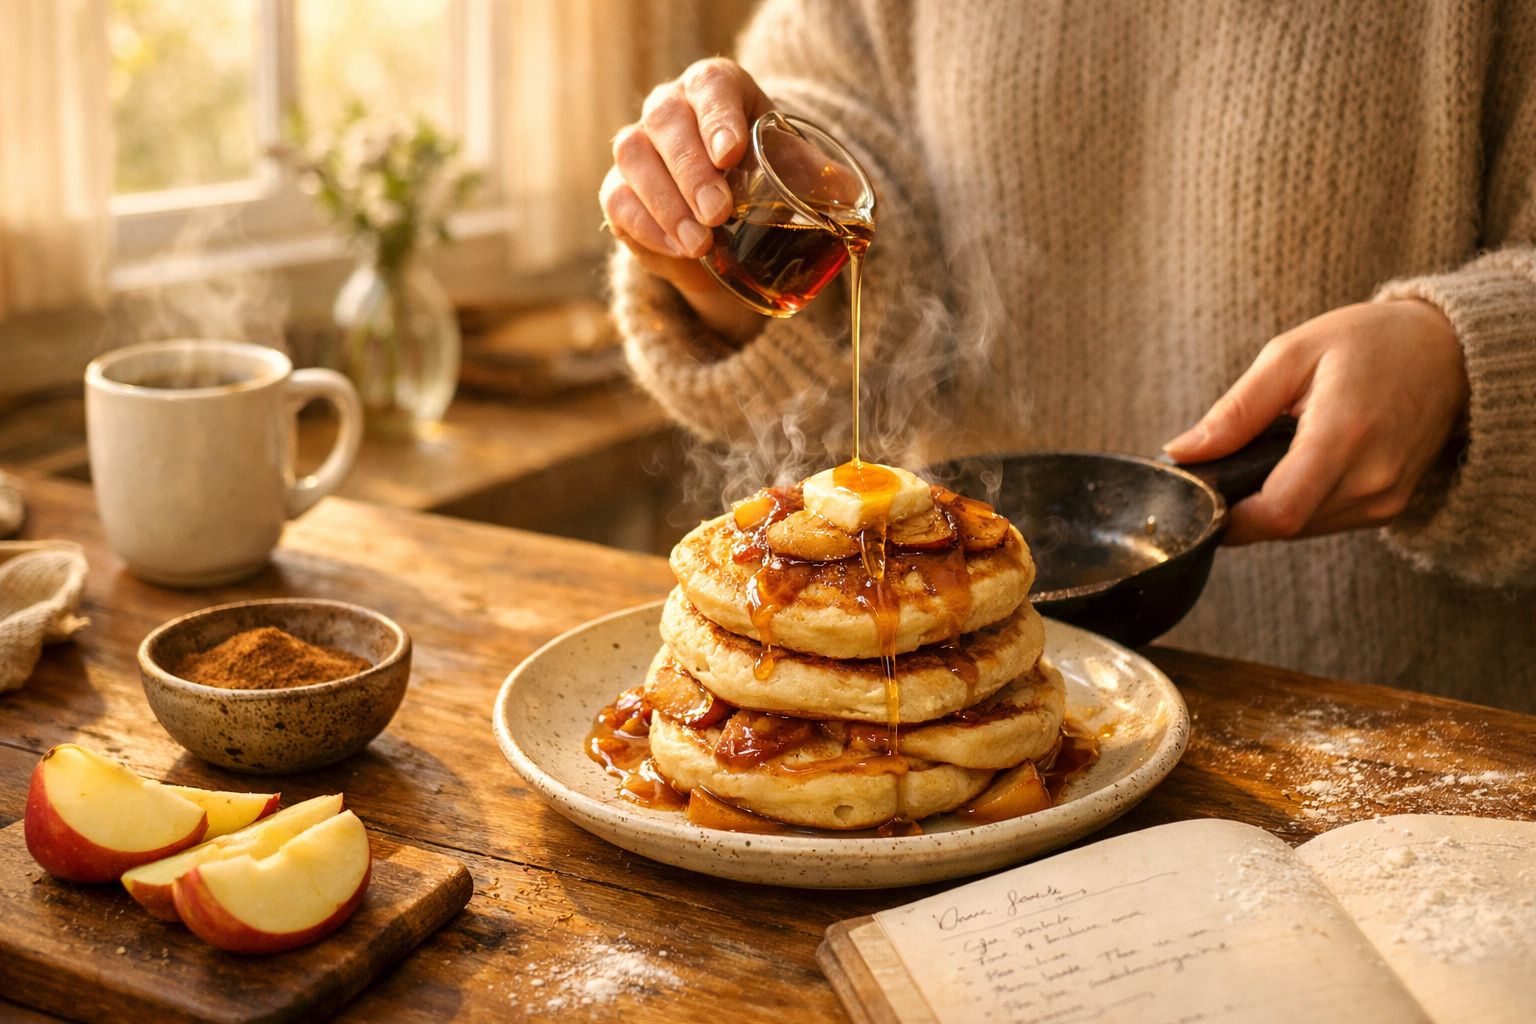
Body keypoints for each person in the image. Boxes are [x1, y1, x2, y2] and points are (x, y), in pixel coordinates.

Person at [601, 0, 1536, 713]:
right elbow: (858, 215)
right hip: (942, 708)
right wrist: (704, 226)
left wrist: (1467, 359)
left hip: (1389, 725)